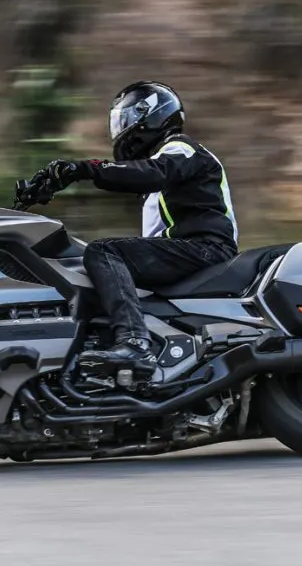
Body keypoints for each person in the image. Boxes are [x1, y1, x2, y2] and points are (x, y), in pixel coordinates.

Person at [34, 80, 239, 380]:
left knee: (104, 252)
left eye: (126, 119)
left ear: (150, 114)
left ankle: (134, 343)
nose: (121, 129)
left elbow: (152, 173)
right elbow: (139, 178)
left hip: (206, 247)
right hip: (189, 249)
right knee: (95, 266)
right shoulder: (158, 170)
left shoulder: (181, 147)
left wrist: (84, 169)